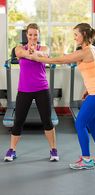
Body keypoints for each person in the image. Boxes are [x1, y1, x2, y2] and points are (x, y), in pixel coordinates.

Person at [26, 23, 95, 170]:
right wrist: (87, 88)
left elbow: (59, 60)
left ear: (84, 35)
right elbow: (93, 72)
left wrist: (37, 58)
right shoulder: (90, 49)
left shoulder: (85, 51)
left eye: (76, 34)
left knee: (80, 124)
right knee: (91, 124)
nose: (74, 37)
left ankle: (86, 159)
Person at [4, 23, 59, 162]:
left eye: (35, 34)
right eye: (30, 34)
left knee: (47, 121)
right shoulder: (18, 49)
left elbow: (44, 54)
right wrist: (31, 53)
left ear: (39, 35)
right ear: (26, 35)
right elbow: (20, 54)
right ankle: (12, 150)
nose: (33, 37)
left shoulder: (45, 48)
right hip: (24, 90)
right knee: (18, 121)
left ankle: (53, 149)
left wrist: (35, 53)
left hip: (42, 89)